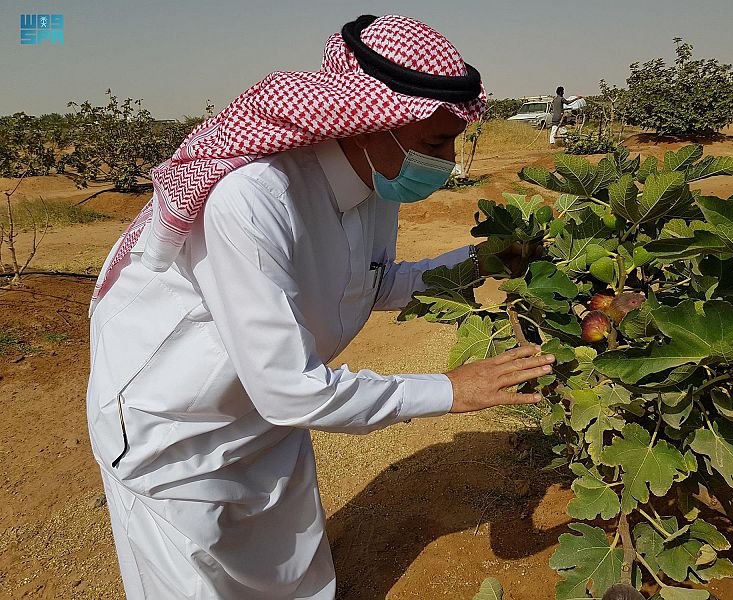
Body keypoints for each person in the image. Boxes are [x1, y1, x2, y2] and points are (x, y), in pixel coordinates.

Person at [86, 14, 556, 600]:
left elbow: (373, 285)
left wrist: (482, 262)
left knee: (290, 569)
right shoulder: (251, 199)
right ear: (370, 126)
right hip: (176, 434)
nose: (449, 158)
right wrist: (450, 391)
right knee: (195, 577)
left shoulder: (376, 185)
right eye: (437, 143)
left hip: (260, 418)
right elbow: (290, 391)